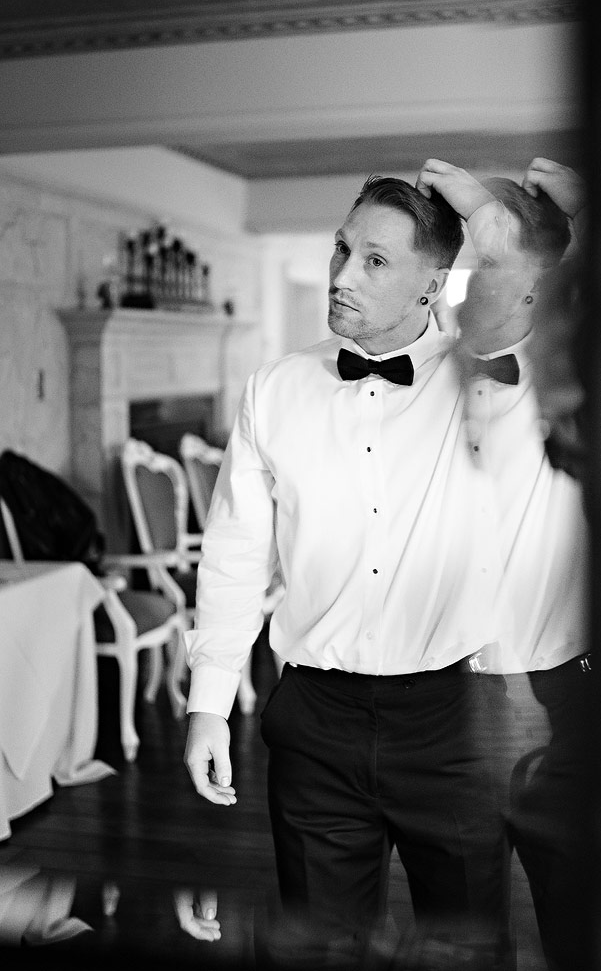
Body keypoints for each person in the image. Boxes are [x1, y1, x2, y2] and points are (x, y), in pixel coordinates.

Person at [182, 175, 511, 969]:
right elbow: (233, 556)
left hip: (453, 718)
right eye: (341, 249)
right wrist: (208, 705)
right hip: (314, 724)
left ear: (432, 284)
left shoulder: (492, 380)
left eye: (375, 261)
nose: (342, 275)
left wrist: (488, 219)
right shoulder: (273, 391)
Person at [415, 157, 592, 971]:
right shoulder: (418, 376)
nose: (456, 292)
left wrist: (587, 217)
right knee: (459, 927)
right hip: (438, 700)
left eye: (481, 267)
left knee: (576, 916)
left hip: (560, 695)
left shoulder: (577, 388)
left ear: (537, 293)